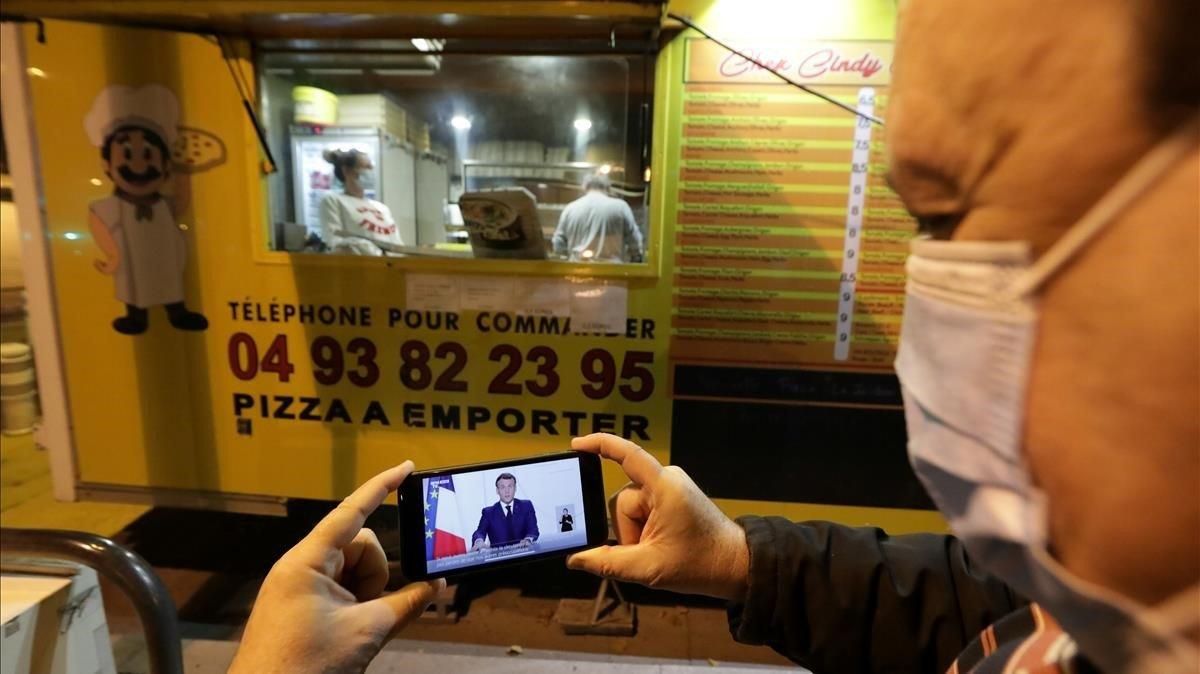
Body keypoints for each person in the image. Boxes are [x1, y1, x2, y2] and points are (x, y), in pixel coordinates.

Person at [231, 0, 1197, 671]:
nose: (922, 294)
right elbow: (976, 606)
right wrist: (740, 559)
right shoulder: (1102, 608)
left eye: (951, 216)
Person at [85, 84, 208, 335]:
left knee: (170, 285)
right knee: (134, 287)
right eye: (128, 155)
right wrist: (113, 255)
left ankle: (177, 312)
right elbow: (96, 222)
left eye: (148, 156)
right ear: (107, 165)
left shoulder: (162, 203)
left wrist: (186, 177)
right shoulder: (112, 207)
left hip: (164, 262)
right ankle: (136, 317)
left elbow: (181, 205)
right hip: (131, 261)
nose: (139, 166)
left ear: (165, 166)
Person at [318, 148, 403, 256]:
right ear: (347, 171)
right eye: (367, 167)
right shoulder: (332, 201)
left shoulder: (382, 208)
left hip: (391, 268)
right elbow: (334, 242)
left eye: (372, 167)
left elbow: (398, 246)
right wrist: (369, 250)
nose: (372, 171)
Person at [552, 173, 645, 263]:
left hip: (578, 271)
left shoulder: (570, 208)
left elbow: (558, 242)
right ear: (608, 188)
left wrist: (565, 258)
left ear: (585, 187)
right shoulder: (620, 207)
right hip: (612, 272)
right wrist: (636, 258)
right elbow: (634, 240)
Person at [471, 473, 539, 550]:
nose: (507, 491)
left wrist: (528, 540)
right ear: (497, 490)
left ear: (515, 488)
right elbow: (480, 532)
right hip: (499, 558)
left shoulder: (526, 505)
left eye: (510, 486)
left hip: (525, 553)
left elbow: (533, 530)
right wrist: (479, 541)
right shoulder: (488, 512)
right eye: (503, 487)